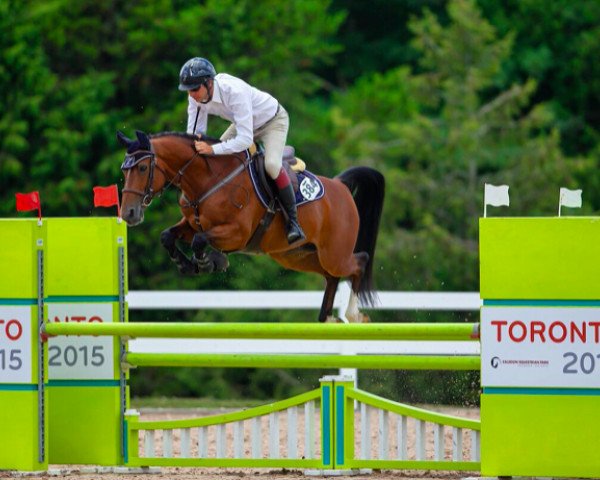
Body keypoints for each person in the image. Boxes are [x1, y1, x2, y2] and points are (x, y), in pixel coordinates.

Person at [178, 57, 305, 244]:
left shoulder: (234, 91)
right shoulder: (196, 98)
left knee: (271, 165)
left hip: (273, 122)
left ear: (209, 83)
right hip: (244, 124)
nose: (192, 95)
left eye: (195, 89)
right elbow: (195, 133)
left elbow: (245, 140)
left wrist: (212, 149)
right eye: (188, 91)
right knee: (216, 162)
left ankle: (294, 223)